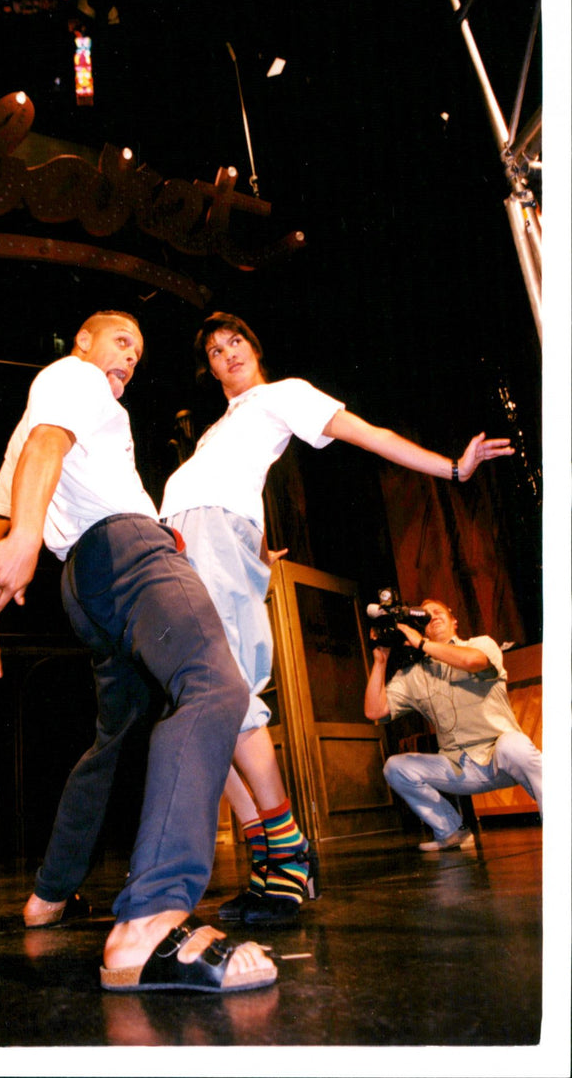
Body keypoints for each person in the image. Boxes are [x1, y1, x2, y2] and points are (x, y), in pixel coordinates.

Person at [0, 309, 276, 993]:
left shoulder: (38, 418)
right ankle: (151, 918)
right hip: (127, 550)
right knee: (217, 687)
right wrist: (31, 541)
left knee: (114, 738)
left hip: (84, 585)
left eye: (137, 350)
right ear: (83, 341)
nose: (128, 357)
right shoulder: (75, 378)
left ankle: (49, 893)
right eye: (120, 340)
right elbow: (43, 454)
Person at [158, 311, 515, 924]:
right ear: (209, 369)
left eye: (235, 341)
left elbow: (368, 433)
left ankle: (287, 856)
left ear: (255, 347)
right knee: (196, 705)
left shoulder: (283, 395)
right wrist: (260, 545)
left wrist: (452, 469)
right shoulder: (220, 427)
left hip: (213, 534)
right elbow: (243, 486)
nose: (226, 354)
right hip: (186, 540)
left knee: (222, 694)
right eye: (214, 351)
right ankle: (269, 859)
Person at [363, 598, 542, 849]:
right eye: (426, 616)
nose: (433, 616)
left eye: (438, 611)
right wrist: (380, 662)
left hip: (503, 758)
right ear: (421, 626)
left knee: (514, 745)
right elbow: (374, 710)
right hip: (459, 768)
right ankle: (450, 831)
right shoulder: (413, 674)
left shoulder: (480, 644)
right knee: (395, 767)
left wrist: (421, 643)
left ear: (453, 620)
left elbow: (472, 662)